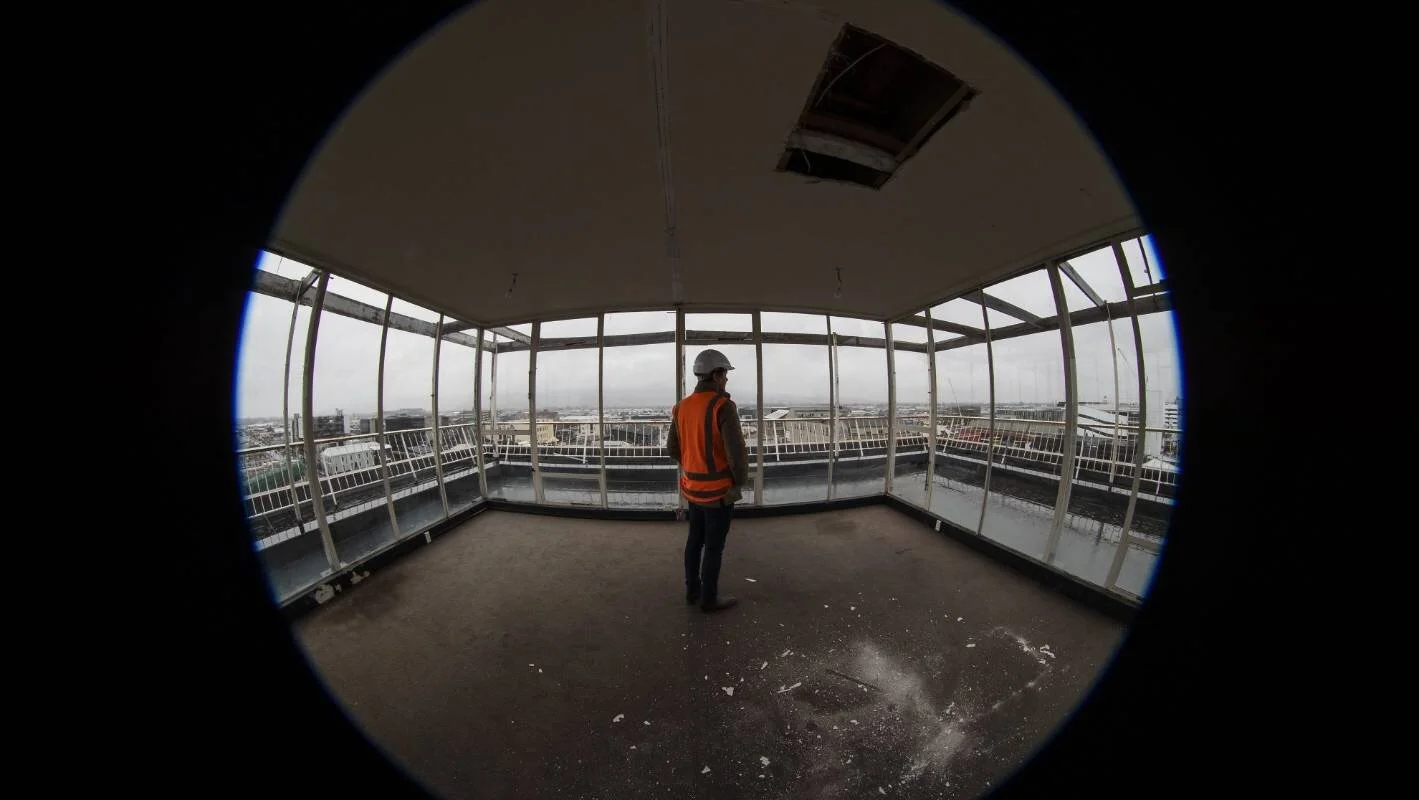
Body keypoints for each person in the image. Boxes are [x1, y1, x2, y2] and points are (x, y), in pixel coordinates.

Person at [667, 349, 750, 613]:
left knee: (694, 541)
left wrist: (694, 464)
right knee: (714, 548)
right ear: (716, 375)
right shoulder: (722, 406)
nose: (726, 381)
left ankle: (692, 590)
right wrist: (739, 482)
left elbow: (672, 448)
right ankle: (709, 599)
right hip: (718, 494)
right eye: (725, 375)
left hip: (692, 491)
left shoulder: (681, 407)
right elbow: (736, 453)